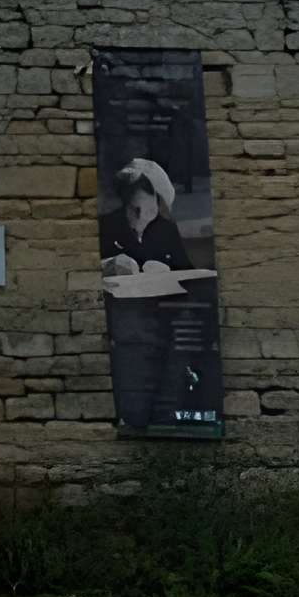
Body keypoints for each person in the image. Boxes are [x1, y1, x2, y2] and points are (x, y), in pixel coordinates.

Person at [100, 157, 212, 431]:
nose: (141, 219)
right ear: (124, 204)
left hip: (164, 313)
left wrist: (166, 270)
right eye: (134, 210)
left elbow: (185, 271)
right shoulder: (107, 227)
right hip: (128, 321)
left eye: (148, 210)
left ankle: (168, 412)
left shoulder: (164, 229)